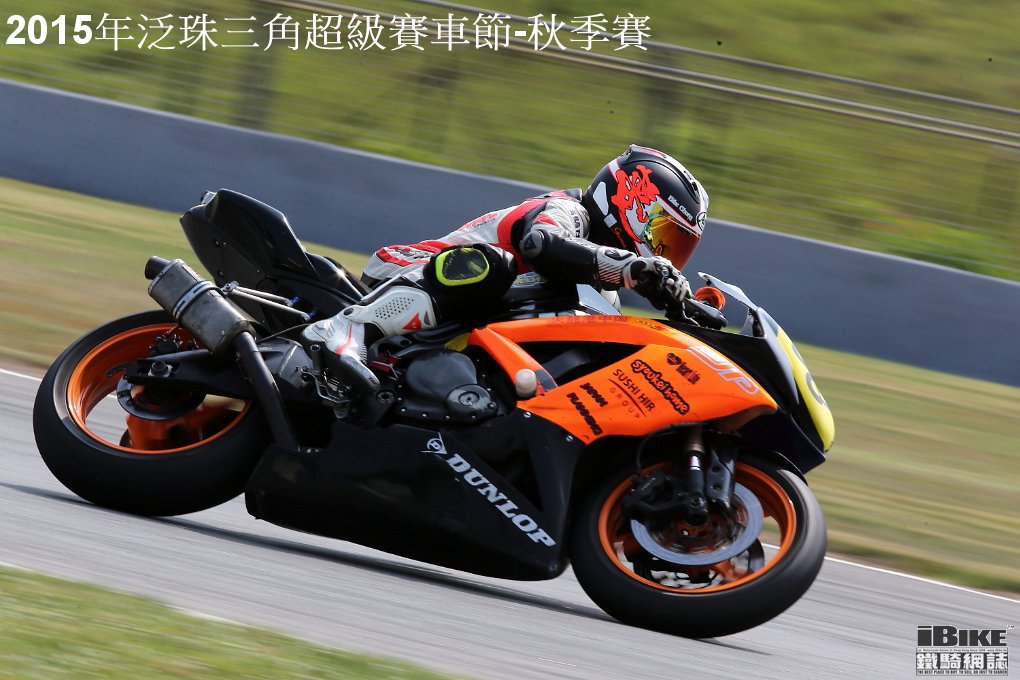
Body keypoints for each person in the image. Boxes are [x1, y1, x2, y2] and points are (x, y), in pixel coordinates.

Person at [302, 144, 710, 394]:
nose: (663, 252)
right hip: (405, 271)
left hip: (453, 325)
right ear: (631, 200)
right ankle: (349, 329)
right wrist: (635, 266)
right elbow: (543, 244)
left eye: (677, 245)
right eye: (662, 234)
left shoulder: (603, 293)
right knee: (499, 266)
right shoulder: (569, 211)